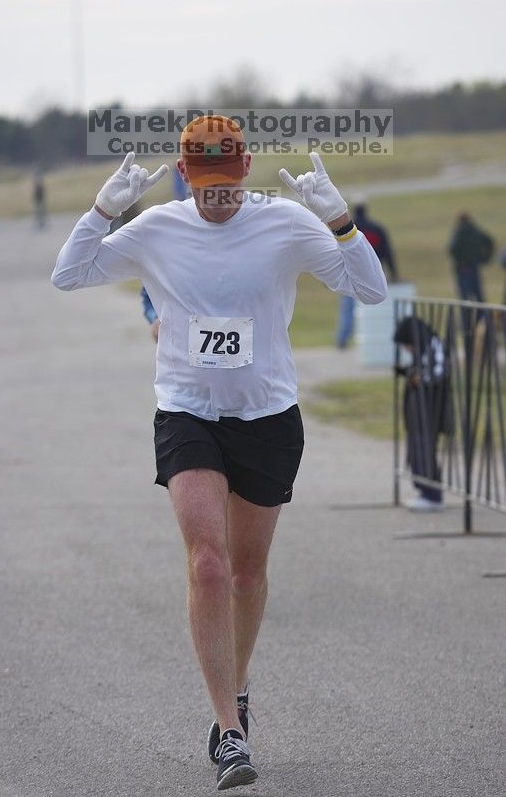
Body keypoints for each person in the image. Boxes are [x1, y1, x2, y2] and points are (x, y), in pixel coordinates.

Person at [51, 115, 387, 790]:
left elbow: (369, 289)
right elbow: (70, 273)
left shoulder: (285, 224)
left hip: (266, 414)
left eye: (225, 185)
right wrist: (102, 208)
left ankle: (237, 687)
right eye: (203, 186)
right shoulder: (157, 229)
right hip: (187, 409)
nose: (216, 198)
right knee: (206, 562)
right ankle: (228, 735)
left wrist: (341, 223)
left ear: (246, 168)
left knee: (243, 574)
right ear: (183, 175)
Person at [393, 316, 452, 512]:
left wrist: (415, 376)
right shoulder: (425, 349)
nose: (406, 349)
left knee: (424, 451)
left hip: (430, 410)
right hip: (419, 411)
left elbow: (436, 374)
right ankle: (424, 490)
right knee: (416, 451)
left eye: (406, 345)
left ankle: (432, 495)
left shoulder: (435, 346)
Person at [336, 202, 398, 348]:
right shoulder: (377, 229)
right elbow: (388, 252)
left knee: (348, 309)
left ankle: (342, 339)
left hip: (349, 273)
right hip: (374, 273)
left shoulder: (348, 230)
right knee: (375, 306)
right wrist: (393, 273)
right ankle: (377, 343)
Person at [448, 213, 494, 303]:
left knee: (465, 296)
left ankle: (466, 316)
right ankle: (482, 315)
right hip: (474, 266)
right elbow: (490, 242)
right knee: (478, 294)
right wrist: (484, 259)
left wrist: (459, 261)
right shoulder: (476, 231)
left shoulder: (458, 232)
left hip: (462, 268)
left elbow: (452, 248)